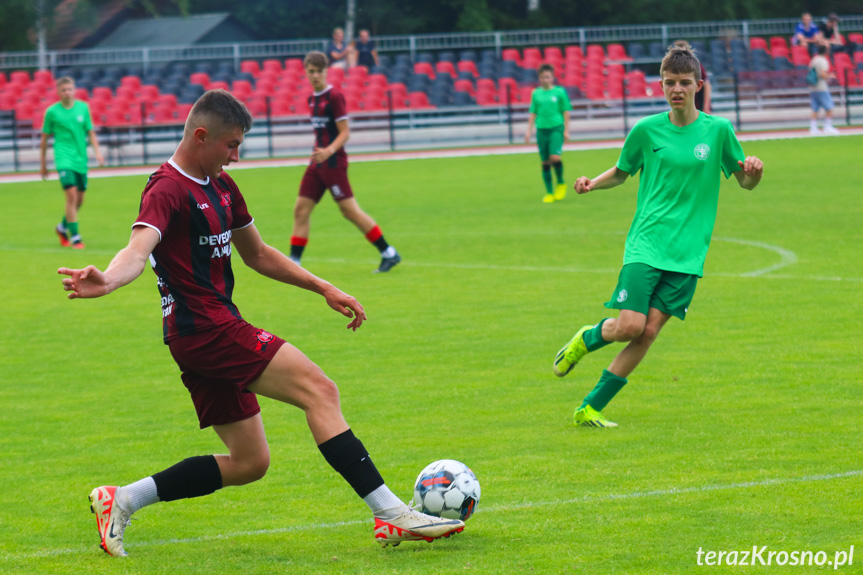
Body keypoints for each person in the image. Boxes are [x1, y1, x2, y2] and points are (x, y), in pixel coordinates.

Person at [58, 89, 463, 557]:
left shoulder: (223, 186)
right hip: (206, 329)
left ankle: (122, 498)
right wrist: (107, 280)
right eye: (231, 145)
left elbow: (259, 254)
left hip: (203, 333)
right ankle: (392, 514)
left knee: (250, 462)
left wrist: (324, 287)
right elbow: (137, 248)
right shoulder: (166, 187)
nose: (236, 155)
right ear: (201, 135)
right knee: (320, 390)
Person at [552, 44, 764, 428]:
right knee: (630, 325)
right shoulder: (647, 129)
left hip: (687, 254)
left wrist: (754, 171)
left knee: (647, 333)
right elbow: (622, 170)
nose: (677, 89)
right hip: (646, 244)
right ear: (661, 85)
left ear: (699, 84)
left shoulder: (718, 131)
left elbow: (744, 183)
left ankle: (590, 407)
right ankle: (586, 339)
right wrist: (591, 184)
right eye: (670, 83)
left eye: (684, 82)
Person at [289, 52, 401, 273]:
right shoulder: (312, 99)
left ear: (326, 71)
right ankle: (294, 262)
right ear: (306, 72)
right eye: (311, 71)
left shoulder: (334, 97)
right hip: (317, 163)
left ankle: (389, 252)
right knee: (301, 209)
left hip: (333, 163)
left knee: (349, 210)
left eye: (319, 71)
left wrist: (329, 151)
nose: (315, 76)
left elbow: (345, 132)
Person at [40, 76, 104, 249]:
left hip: (80, 159)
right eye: (63, 90)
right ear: (58, 92)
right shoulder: (52, 112)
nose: (67, 92)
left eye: (69, 89)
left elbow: (90, 132)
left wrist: (98, 152)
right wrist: (43, 164)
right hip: (63, 159)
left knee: (80, 200)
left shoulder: (83, 108)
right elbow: (44, 139)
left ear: (74, 90)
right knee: (71, 196)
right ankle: (76, 237)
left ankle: (62, 227)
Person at [524, 63, 572, 204]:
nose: (545, 79)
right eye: (543, 77)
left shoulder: (559, 92)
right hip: (541, 130)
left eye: (548, 77)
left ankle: (561, 183)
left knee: (555, 158)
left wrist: (567, 130)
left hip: (556, 128)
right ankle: (549, 192)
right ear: (539, 78)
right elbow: (533, 113)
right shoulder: (536, 93)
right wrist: (529, 131)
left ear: (552, 77)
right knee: (545, 162)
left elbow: (566, 111)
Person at [808, 44, 839, 136]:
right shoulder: (823, 61)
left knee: (815, 108)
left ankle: (813, 128)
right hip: (821, 87)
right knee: (830, 108)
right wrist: (831, 76)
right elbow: (823, 74)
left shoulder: (814, 59)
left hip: (813, 87)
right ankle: (827, 127)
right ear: (825, 51)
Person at [674, 40, 710, 113]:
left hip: (698, 106)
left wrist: (706, 106)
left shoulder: (696, 66)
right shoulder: (672, 68)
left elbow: (707, 85)